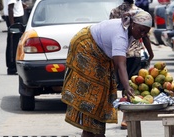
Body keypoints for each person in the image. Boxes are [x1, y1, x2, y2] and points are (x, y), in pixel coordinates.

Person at [61, 10, 152, 137]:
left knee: (105, 87)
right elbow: (121, 65)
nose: (142, 34)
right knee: (92, 92)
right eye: (140, 30)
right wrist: (127, 88)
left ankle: (95, 131)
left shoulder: (135, 28)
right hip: (85, 47)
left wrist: (151, 54)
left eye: (145, 31)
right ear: (132, 25)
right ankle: (90, 131)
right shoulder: (120, 36)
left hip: (101, 53)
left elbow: (145, 37)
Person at [109, 0, 154, 130]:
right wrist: (150, 54)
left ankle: (120, 115)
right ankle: (126, 118)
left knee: (122, 85)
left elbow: (114, 32)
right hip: (134, 54)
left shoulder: (114, 12)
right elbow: (145, 36)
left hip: (119, 53)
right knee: (130, 85)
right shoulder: (139, 12)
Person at [6, 0, 25, 75]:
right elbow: (10, 8)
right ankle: (12, 67)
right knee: (13, 44)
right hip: (14, 19)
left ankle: (13, 66)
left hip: (16, 17)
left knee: (14, 43)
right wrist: (12, 26)